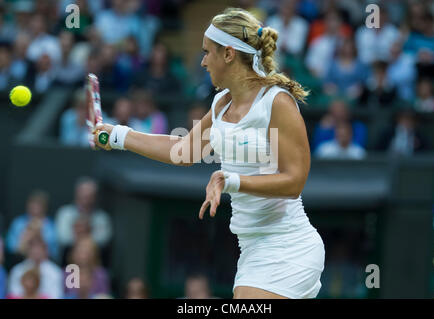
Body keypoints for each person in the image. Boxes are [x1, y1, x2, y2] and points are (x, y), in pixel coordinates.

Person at [93, 8, 325, 299]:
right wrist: (117, 135)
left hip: (290, 247)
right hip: (252, 249)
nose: (202, 62)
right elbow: (182, 150)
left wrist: (231, 181)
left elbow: (294, 182)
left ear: (228, 54)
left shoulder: (276, 103)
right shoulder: (220, 104)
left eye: (207, 52)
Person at [55, 177, 112, 257]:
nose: (86, 200)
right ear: (77, 194)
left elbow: (103, 240)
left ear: (95, 197)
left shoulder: (102, 217)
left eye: (90, 196)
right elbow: (64, 239)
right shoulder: (65, 213)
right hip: (67, 260)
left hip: (95, 261)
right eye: (84, 195)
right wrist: (87, 238)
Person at [6, 190, 59, 261]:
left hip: (45, 261)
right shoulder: (18, 223)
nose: (35, 207)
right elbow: (11, 247)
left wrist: (39, 235)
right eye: (32, 204)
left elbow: (54, 251)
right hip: (19, 260)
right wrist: (26, 238)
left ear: (45, 207)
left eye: (39, 204)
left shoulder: (51, 225)